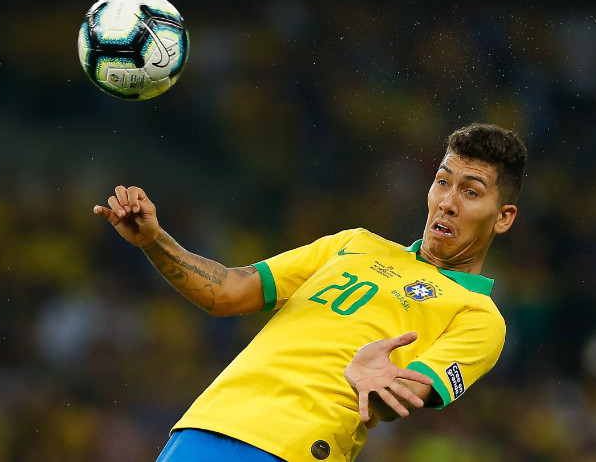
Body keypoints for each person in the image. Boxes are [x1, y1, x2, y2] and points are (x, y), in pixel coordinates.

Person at [93, 123, 527, 462]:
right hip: (209, 423)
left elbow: (411, 391)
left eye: (471, 192)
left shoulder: (479, 317)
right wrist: (155, 241)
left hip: (294, 447)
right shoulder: (354, 243)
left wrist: (382, 384)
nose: (448, 201)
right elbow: (226, 292)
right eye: (442, 182)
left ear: (503, 217)